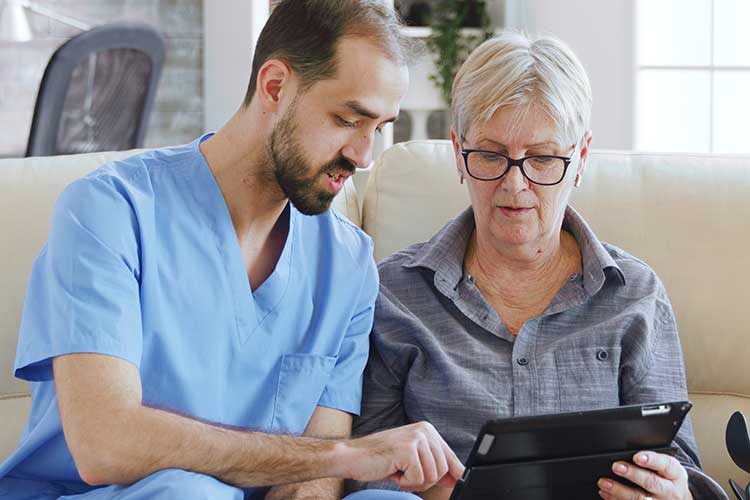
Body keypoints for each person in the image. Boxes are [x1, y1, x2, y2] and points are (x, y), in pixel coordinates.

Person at [0, 1, 465, 498]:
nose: (363, 155)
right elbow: (104, 444)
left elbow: (313, 478)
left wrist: (333, 464)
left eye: (378, 128)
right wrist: (348, 455)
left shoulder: (348, 263)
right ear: (275, 86)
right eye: (349, 119)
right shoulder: (109, 212)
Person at [354, 31, 728, 500]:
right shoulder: (395, 292)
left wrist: (671, 489)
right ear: (458, 153)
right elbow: (363, 468)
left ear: (580, 158)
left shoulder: (634, 294)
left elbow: (680, 466)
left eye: (543, 158)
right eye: (491, 155)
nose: (515, 184)